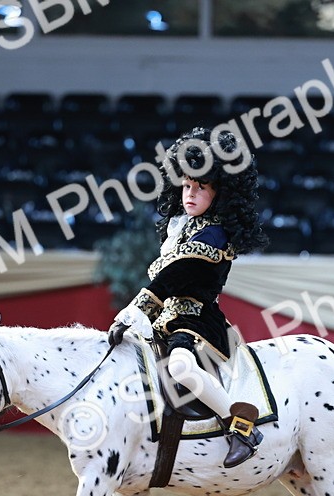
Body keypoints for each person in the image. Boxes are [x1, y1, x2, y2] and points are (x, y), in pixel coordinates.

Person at [108, 127, 269, 468]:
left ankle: (240, 428)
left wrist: (136, 307)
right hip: (165, 320)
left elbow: (175, 276)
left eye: (201, 188)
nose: (191, 194)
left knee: (180, 366)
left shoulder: (214, 234)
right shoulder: (181, 229)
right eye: (186, 186)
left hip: (197, 322)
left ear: (220, 194)